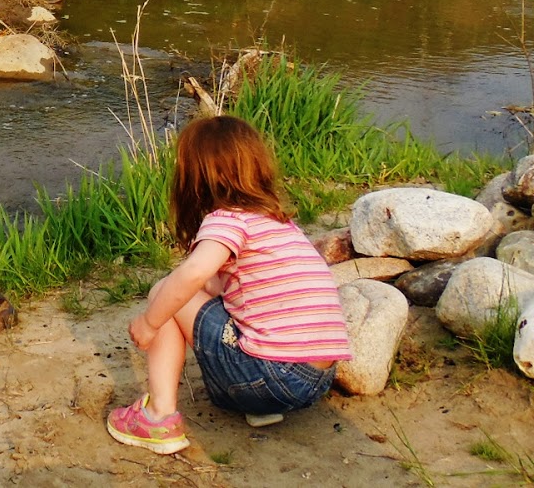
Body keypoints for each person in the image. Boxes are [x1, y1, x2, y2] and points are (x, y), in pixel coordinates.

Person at [106, 115, 352, 454]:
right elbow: (224, 287)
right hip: (315, 381)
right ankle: (260, 407)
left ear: (197, 178)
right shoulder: (277, 222)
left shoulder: (229, 220)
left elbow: (192, 275)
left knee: (164, 292)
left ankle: (158, 416)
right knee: (192, 297)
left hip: (271, 376)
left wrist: (151, 322)